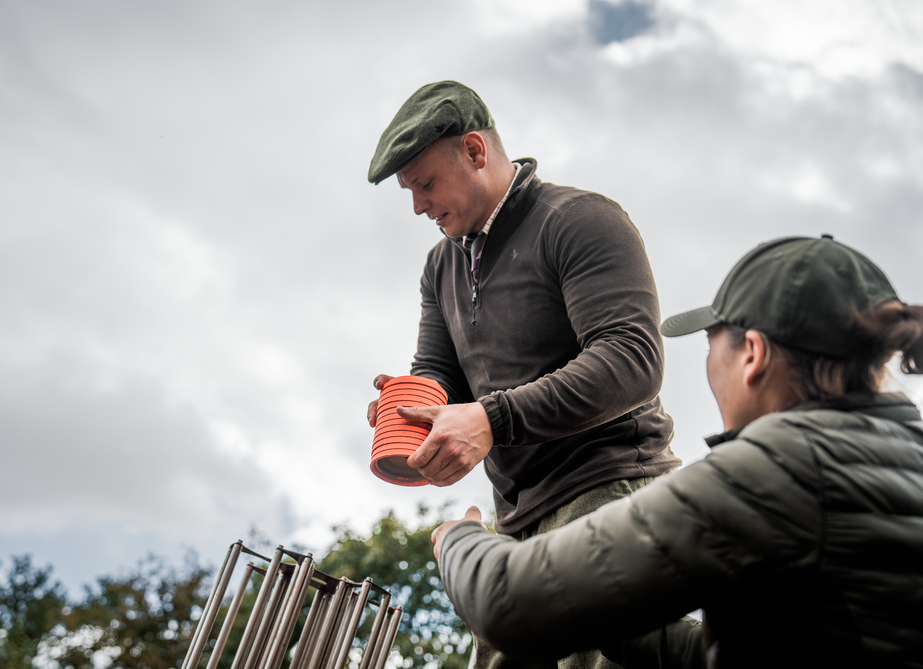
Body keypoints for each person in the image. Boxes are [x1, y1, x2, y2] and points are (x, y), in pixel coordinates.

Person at [432, 234, 923, 669]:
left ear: (752, 354)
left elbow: (510, 603)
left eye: (713, 343)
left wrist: (460, 541)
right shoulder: (901, 454)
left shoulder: (777, 469)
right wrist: (599, 607)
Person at [366, 81, 681, 669]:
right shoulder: (441, 266)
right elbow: (439, 375)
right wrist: (414, 414)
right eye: (408, 192)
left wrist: (491, 418)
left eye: (426, 184)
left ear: (476, 151)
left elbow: (632, 357)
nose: (417, 207)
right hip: (515, 519)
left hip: (608, 492)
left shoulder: (580, 220)